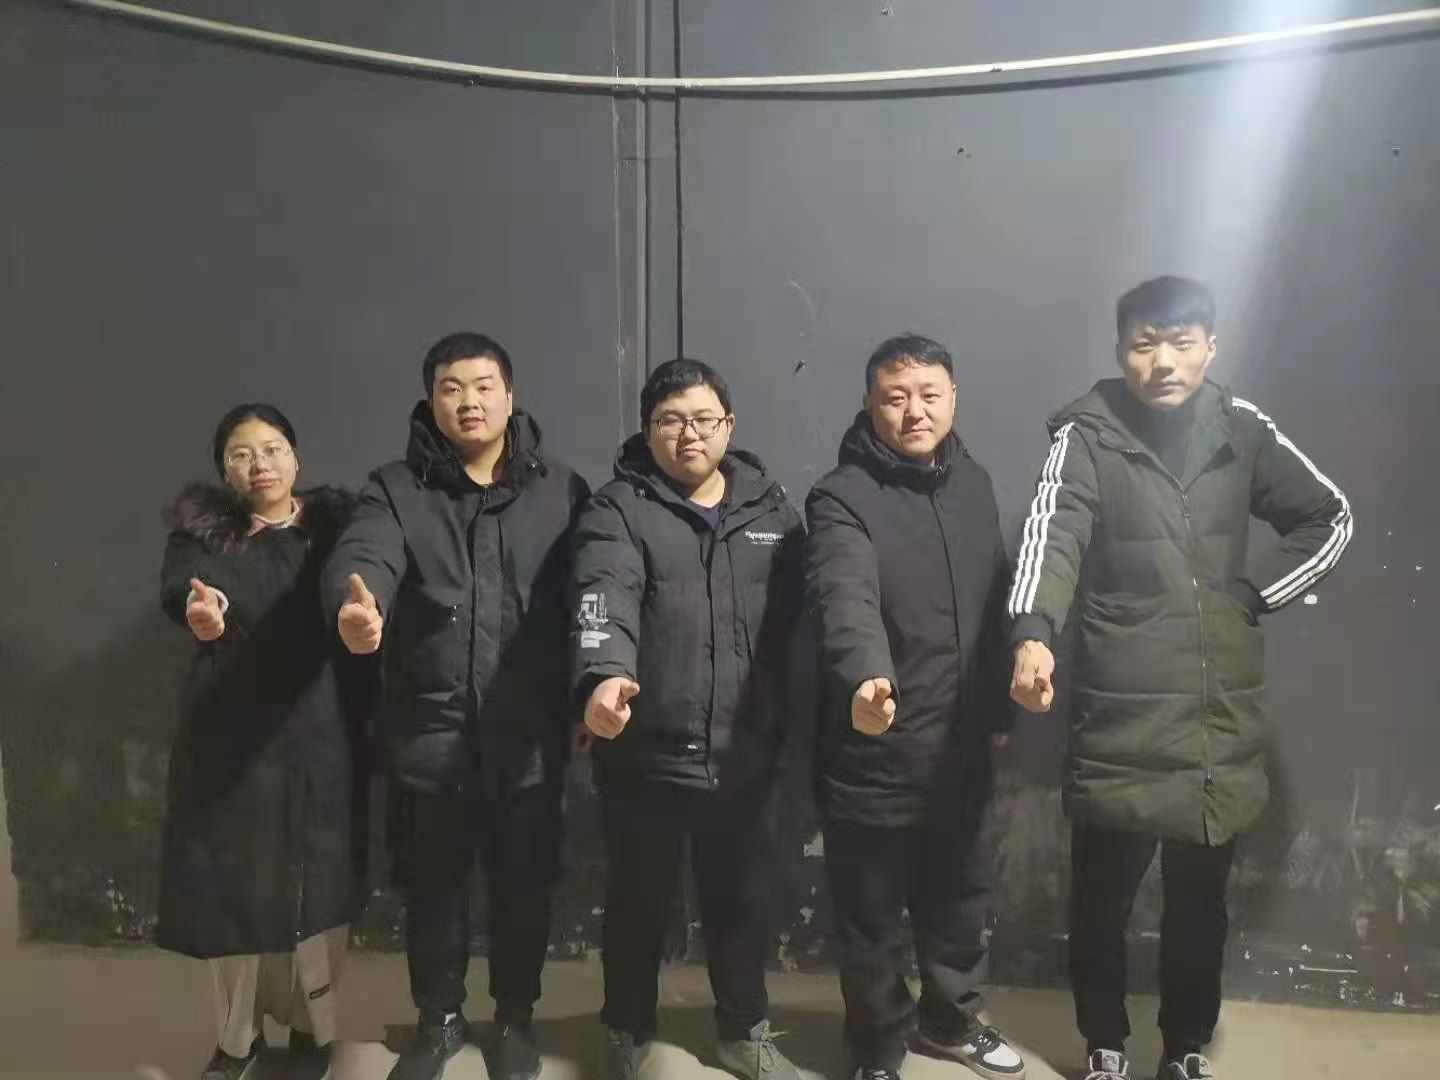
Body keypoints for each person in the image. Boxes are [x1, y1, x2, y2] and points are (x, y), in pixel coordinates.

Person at [1007, 276, 1354, 1080]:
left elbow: (1330, 516)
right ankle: (1104, 1044)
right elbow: (1051, 533)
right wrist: (1033, 633)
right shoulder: (1087, 434)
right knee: (1101, 905)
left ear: (1210, 347)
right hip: (1120, 713)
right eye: (1143, 344)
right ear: (1120, 350)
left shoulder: (1242, 428)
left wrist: (1251, 595)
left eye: (1181, 342)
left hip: (1213, 717)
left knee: (1200, 907)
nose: (1162, 361)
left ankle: (1185, 1048)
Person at [324, 333, 590, 1080]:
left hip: (528, 732)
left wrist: (590, 691)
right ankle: (438, 1020)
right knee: (433, 889)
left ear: (509, 395)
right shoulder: (395, 488)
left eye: (482, 386)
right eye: (451, 388)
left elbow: (595, 590)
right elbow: (363, 555)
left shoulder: (562, 490)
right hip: (429, 729)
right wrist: (359, 607)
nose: (468, 402)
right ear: (431, 399)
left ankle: (514, 1018)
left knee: (522, 888)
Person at [570, 358, 806, 1080]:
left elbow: (804, 622)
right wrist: (604, 676)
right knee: (637, 907)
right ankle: (626, 1030)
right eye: (670, 421)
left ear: (728, 425)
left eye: (703, 419)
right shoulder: (617, 509)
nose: (688, 434)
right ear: (648, 430)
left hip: (745, 752)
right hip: (646, 754)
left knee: (741, 905)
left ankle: (744, 1031)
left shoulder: (773, 512)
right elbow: (604, 592)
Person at [806, 335, 1025, 1080]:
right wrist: (867, 678)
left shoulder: (975, 485)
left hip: (962, 747)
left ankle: (950, 1021)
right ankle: (876, 1049)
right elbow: (844, 596)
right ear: (871, 404)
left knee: (961, 901)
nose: (914, 412)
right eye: (895, 398)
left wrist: (1001, 713)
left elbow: (996, 603)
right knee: (869, 919)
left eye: (930, 395)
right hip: (876, 743)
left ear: (953, 398)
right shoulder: (841, 496)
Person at [158, 403, 370, 1080]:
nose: (260, 465)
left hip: (323, 721)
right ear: (225, 469)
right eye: (242, 455)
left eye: (273, 449)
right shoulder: (202, 535)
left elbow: (364, 584)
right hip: (233, 729)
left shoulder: (339, 531)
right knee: (236, 886)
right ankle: (237, 1039)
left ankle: (313, 1031)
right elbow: (184, 587)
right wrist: (201, 612)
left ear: (296, 457)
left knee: (319, 881)